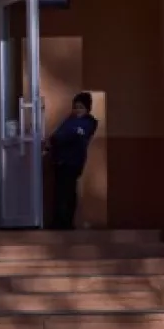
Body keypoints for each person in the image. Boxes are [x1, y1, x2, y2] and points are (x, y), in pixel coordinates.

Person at [50, 92, 100, 230]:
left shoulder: (88, 122)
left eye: (80, 107)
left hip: (73, 162)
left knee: (68, 191)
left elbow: (67, 136)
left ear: (87, 109)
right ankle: (58, 221)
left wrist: (65, 136)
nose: (77, 110)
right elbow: (57, 136)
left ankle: (67, 221)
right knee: (59, 192)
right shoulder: (70, 121)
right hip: (61, 160)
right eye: (75, 107)